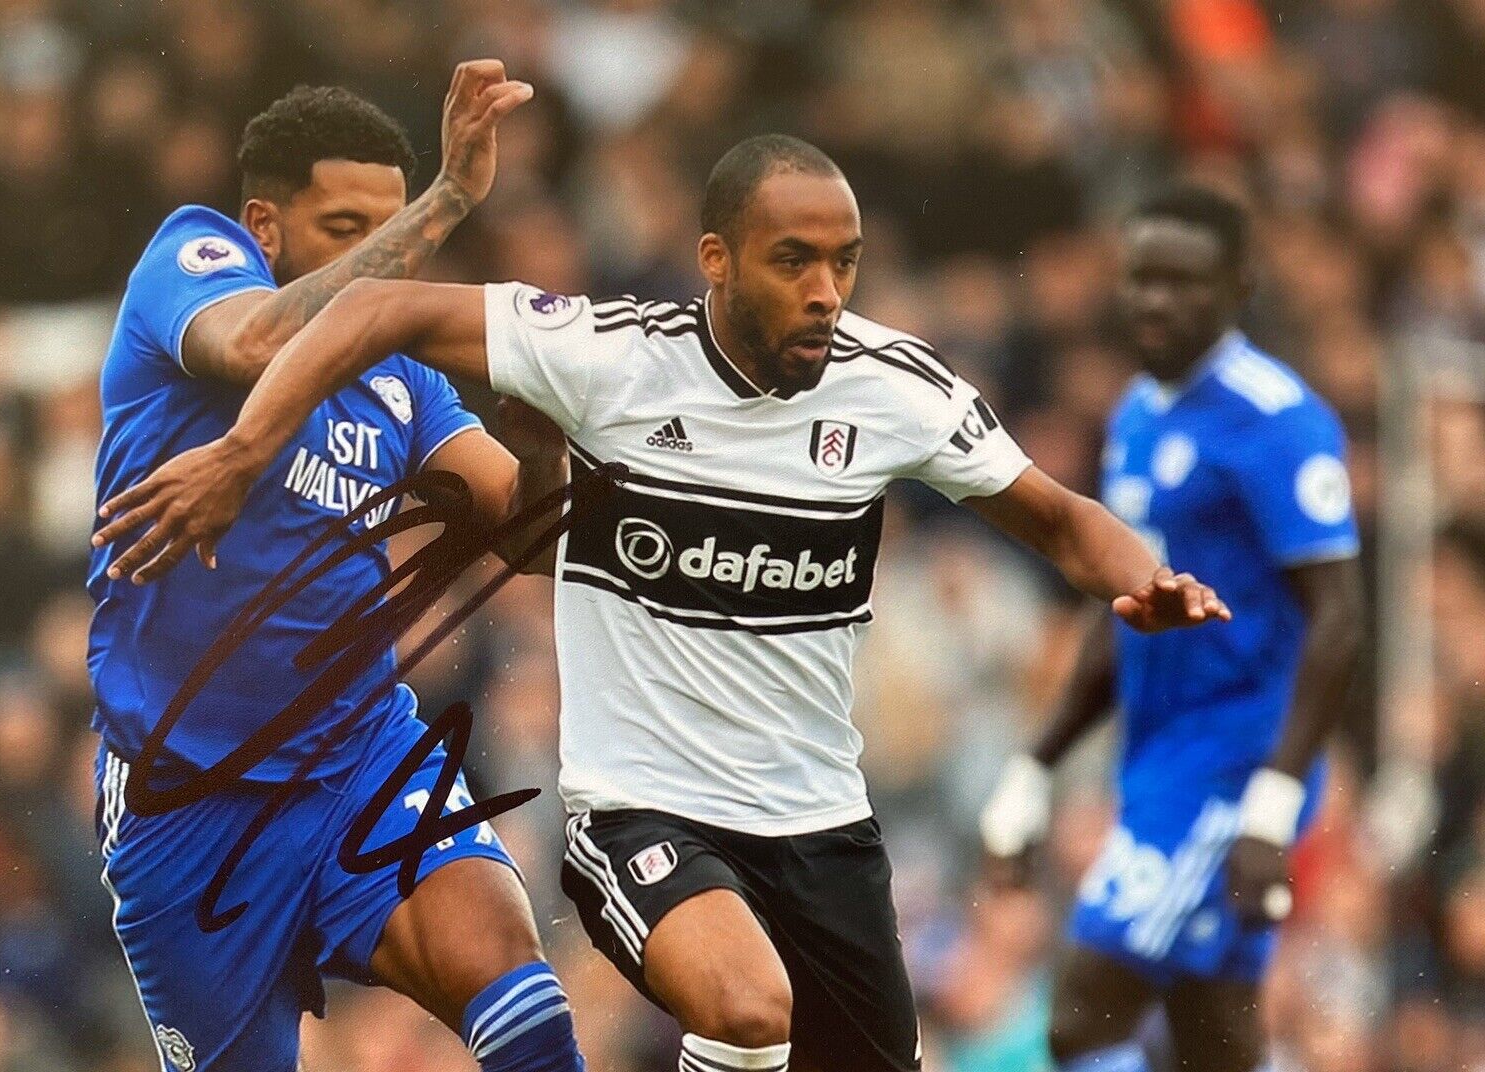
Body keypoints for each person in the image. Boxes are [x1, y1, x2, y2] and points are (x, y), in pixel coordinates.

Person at [92, 134, 1229, 1072]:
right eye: (795, 260)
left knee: (528, 1004)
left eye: (846, 262)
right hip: (544, 804)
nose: (826, 291)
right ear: (716, 260)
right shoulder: (597, 352)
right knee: (743, 1011)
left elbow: (1059, 516)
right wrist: (247, 451)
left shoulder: (894, 388)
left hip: (800, 819)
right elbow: (325, 317)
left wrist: (1145, 574)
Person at [86, 67, 587, 1072]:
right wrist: (447, 201)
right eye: (345, 227)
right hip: (191, 803)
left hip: (357, 755)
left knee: (518, 988)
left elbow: (532, 538)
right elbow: (262, 340)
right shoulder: (190, 258)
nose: (377, 263)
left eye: (389, 227)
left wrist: (539, 442)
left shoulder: (404, 382)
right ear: (263, 226)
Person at [977, 185, 1367, 1072]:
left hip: (1232, 767)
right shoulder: (1138, 416)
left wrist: (1273, 798)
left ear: (1239, 287)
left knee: (1083, 1018)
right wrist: (1036, 764)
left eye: (1183, 282)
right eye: (1142, 278)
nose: (1155, 301)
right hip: (1159, 761)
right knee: (1212, 1034)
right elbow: (1123, 608)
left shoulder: (1277, 421)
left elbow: (1340, 618)